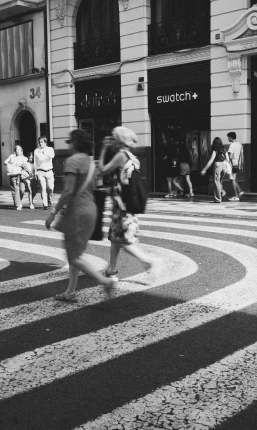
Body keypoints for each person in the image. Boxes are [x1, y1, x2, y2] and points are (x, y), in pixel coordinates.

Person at [45, 129, 116, 302]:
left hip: (77, 211)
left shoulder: (72, 161)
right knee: (75, 255)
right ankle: (70, 292)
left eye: (70, 142)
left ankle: (105, 281)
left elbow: (68, 191)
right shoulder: (91, 163)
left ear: (75, 143)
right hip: (91, 210)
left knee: (74, 257)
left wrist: (53, 212)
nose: (68, 145)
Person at [98, 126, 162, 281]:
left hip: (122, 206)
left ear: (118, 140)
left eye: (113, 138)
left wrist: (102, 149)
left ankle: (150, 262)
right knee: (115, 238)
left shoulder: (121, 156)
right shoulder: (132, 156)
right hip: (126, 203)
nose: (111, 141)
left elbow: (102, 169)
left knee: (123, 240)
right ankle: (111, 270)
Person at [200, 137, 230, 203]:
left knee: (217, 182)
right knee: (219, 182)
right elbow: (227, 159)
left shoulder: (215, 150)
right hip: (224, 165)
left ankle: (218, 198)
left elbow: (211, 160)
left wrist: (204, 169)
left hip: (217, 165)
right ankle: (222, 192)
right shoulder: (224, 149)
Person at [4, 145, 29, 210]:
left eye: (19, 149)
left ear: (21, 150)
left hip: (21, 175)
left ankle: (18, 201)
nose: (18, 151)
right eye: (16, 149)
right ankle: (18, 205)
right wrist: (13, 165)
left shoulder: (24, 158)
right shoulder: (12, 156)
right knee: (15, 189)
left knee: (22, 190)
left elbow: (26, 166)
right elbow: (5, 162)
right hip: (13, 174)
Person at [34, 137, 55, 209]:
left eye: (42, 142)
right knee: (43, 188)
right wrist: (35, 172)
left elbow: (52, 156)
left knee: (50, 188)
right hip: (40, 171)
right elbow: (35, 162)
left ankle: (49, 200)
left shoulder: (50, 149)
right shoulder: (36, 150)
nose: (40, 143)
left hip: (49, 171)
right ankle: (45, 204)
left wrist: (44, 152)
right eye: (39, 142)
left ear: (45, 142)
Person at [226, 132, 245, 201]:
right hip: (237, 165)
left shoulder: (232, 145)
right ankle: (239, 191)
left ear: (231, 137)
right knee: (233, 178)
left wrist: (229, 164)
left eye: (228, 137)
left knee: (232, 179)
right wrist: (241, 165)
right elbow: (242, 156)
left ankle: (236, 195)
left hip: (232, 165)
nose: (228, 139)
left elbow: (230, 156)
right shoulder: (240, 145)